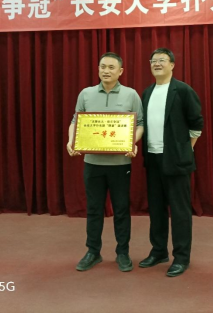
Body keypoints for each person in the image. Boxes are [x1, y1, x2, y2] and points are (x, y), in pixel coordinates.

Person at [67, 53, 144, 273]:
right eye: (103, 66)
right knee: (93, 209)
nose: (106, 71)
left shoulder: (131, 94)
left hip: (120, 164)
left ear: (120, 71)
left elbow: (140, 123)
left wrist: (132, 143)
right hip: (93, 163)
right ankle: (93, 251)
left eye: (111, 67)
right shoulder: (86, 93)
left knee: (121, 209)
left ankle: (123, 252)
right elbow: (75, 121)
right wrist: (71, 141)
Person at [139, 48, 204, 278]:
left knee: (180, 211)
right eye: (153, 60)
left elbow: (196, 123)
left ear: (172, 65)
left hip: (176, 160)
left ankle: (181, 257)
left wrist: (185, 149)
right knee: (156, 209)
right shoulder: (147, 92)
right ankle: (158, 251)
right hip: (153, 158)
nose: (157, 64)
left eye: (162, 60)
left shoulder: (183, 90)